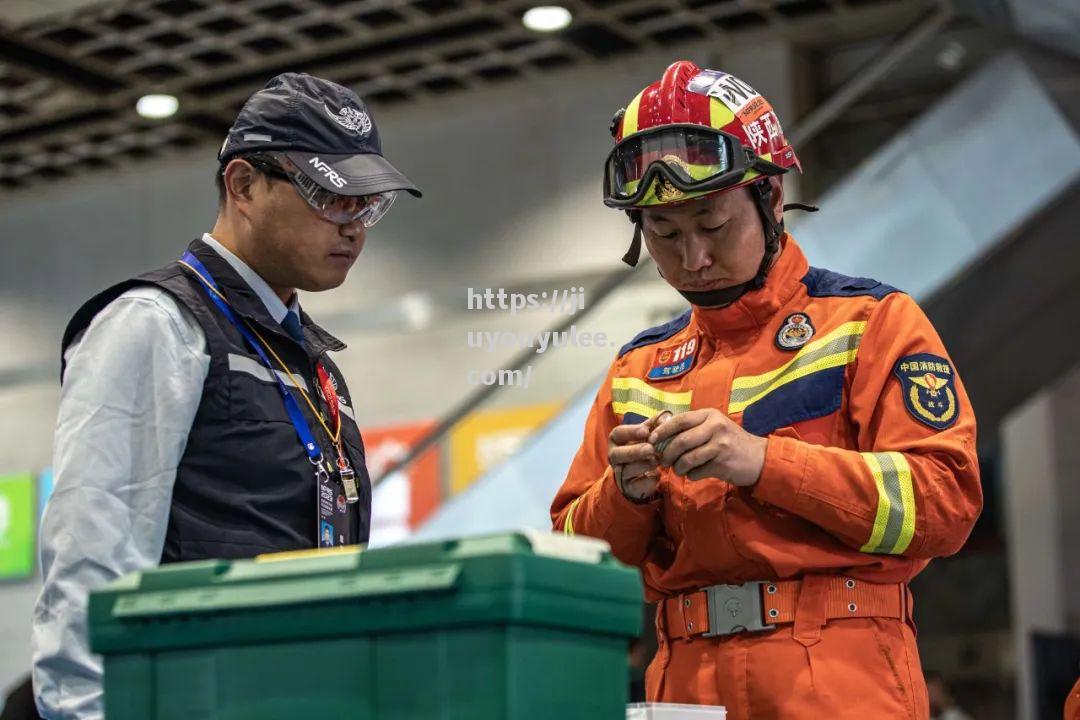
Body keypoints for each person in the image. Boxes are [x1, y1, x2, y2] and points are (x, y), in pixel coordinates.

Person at [551, 60, 982, 719]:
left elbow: (946, 503)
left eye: (713, 226)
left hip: (842, 675)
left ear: (772, 197)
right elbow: (572, 557)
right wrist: (625, 495)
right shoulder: (637, 369)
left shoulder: (871, 323)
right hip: (682, 684)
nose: (692, 258)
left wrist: (763, 463)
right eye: (664, 234)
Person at [33, 72, 421, 719]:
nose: (354, 225)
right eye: (330, 195)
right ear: (243, 185)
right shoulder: (154, 325)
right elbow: (90, 556)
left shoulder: (315, 367)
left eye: (368, 204)